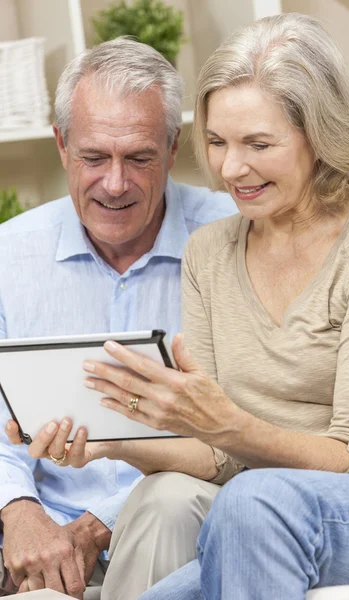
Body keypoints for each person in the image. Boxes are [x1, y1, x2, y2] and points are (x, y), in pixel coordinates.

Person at [6, 11, 349, 599]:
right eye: (217, 142)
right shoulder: (212, 248)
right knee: (204, 507)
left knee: (243, 499)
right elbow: (218, 453)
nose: (231, 168)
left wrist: (226, 424)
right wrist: (100, 440)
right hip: (251, 508)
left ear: (319, 136)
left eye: (258, 144)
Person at [0, 37, 236, 599]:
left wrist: (98, 521)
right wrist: (20, 510)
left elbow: (244, 421)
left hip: (177, 513)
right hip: (37, 519)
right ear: (61, 144)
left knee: (168, 509)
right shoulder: (9, 254)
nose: (114, 183)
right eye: (93, 157)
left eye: (139, 157)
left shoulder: (232, 239)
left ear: (173, 147)